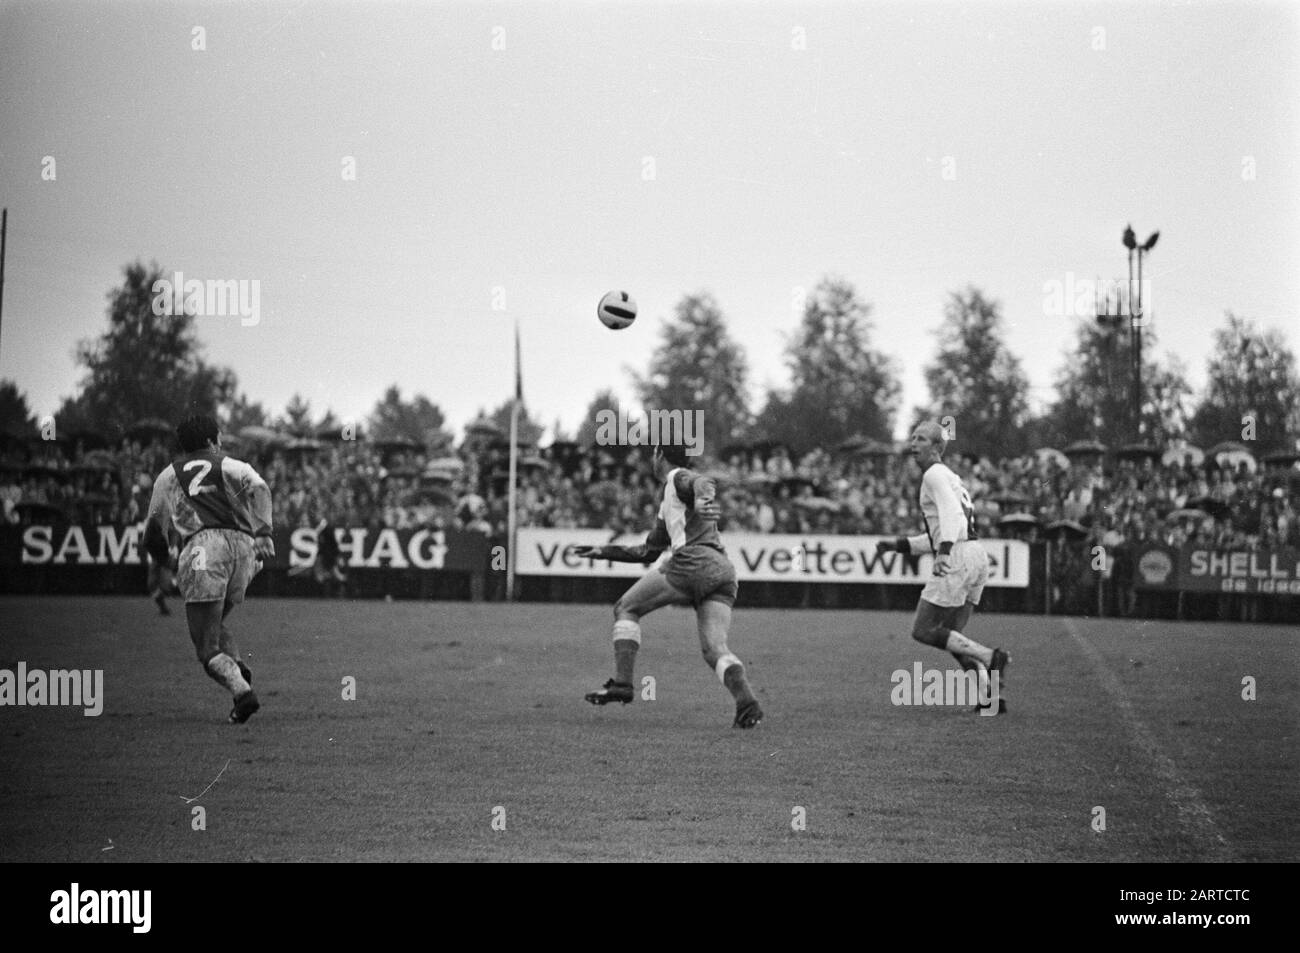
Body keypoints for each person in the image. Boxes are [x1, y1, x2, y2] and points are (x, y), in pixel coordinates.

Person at [575, 442, 763, 729]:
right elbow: (648, 552)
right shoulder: (669, 502)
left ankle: (623, 684)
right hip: (723, 571)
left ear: (659, 456)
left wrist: (703, 498)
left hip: (693, 562)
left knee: (626, 607)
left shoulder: (677, 477)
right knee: (715, 649)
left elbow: (702, 481)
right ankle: (747, 704)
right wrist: (605, 551)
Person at [142, 414, 274, 724]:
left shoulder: (169, 475)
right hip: (245, 550)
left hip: (204, 547)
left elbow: (152, 533)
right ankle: (237, 666)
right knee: (213, 625)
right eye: (219, 438)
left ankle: (242, 693)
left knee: (204, 645)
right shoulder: (232, 465)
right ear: (211, 441)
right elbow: (262, 489)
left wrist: (166, 562)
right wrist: (265, 532)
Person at [875, 421, 1010, 713]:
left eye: (921, 439)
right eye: (912, 437)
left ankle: (990, 656)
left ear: (937, 447)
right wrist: (899, 545)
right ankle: (989, 698)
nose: (913, 443)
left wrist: (945, 553)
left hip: (959, 555)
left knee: (923, 630)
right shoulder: (949, 476)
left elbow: (951, 519)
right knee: (952, 637)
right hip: (975, 554)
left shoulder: (934, 474)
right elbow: (943, 532)